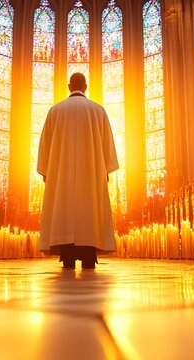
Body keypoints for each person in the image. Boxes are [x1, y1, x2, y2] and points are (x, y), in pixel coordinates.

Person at [37, 73, 119, 269]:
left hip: (61, 173)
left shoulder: (55, 111)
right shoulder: (98, 110)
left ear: (68, 86)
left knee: (64, 208)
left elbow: (45, 146)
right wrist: (105, 170)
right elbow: (107, 145)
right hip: (91, 173)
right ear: (86, 86)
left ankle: (67, 256)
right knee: (88, 209)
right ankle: (89, 256)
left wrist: (47, 171)